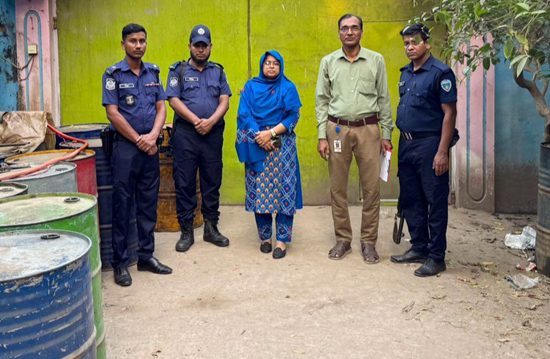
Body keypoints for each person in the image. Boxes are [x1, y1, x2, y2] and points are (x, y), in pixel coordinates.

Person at [315, 14, 394, 265]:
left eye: (354, 28)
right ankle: (343, 239)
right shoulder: (328, 62)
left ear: (361, 32)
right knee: (338, 188)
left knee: (371, 188)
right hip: (337, 129)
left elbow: (384, 98)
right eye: (345, 28)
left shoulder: (376, 60)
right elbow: (322, 101)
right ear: (339, 33)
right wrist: (321, 135)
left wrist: (387, 133)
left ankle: (368, 242)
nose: (349, 32)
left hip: (368, 130)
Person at [102, 23, 173, 286]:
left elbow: (161, 108)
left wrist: (153, 137)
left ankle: (146, 256)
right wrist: (139, 140)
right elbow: (112, 113)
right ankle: (120, 262)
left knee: (147, 203)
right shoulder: (113, 74)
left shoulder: (153, 72)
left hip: (150, 147)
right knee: (122, 205)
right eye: (133, 41)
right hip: (125, 149)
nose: (138, 45)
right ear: (123, 44)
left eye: (142, 40)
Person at [390, 23, 457, 277]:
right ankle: (419, 246)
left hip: (430, 144)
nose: (410, 47)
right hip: (406, 144)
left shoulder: (441, 73)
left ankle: (437, 256)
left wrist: (442, 152)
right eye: (406, 43)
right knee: (411, 197)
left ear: (426, 43)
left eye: (415, 41)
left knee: (435, 200)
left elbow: (449, 113)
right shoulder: (405, 73)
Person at [167, 25, 232, 252]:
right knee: (184, 181)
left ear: (211, 47)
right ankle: (186, 231)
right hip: (186, 134)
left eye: (205, 46)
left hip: (213, 134)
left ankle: (211, 228)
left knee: (212, 180)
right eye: (197, 45)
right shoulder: (178, 71)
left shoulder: (219, 72)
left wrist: (211, 122)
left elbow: (224, 100)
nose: (201, 50)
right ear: (190, 46)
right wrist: (197, 121)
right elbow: (174, 101)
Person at [236, 51, 303, 259]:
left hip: (282, 145)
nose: (272, 67)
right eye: (267, 63)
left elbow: (294, 115)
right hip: (258, 143)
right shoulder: (250, 87)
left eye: (275, 63)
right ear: (261, 65)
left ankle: (281, 240)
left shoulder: (288, 87)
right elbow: (244, 112)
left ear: (281, 66)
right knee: (260, 191)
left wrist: (271, 133)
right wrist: (259, 135)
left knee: (284, 191)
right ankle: (265, 238)